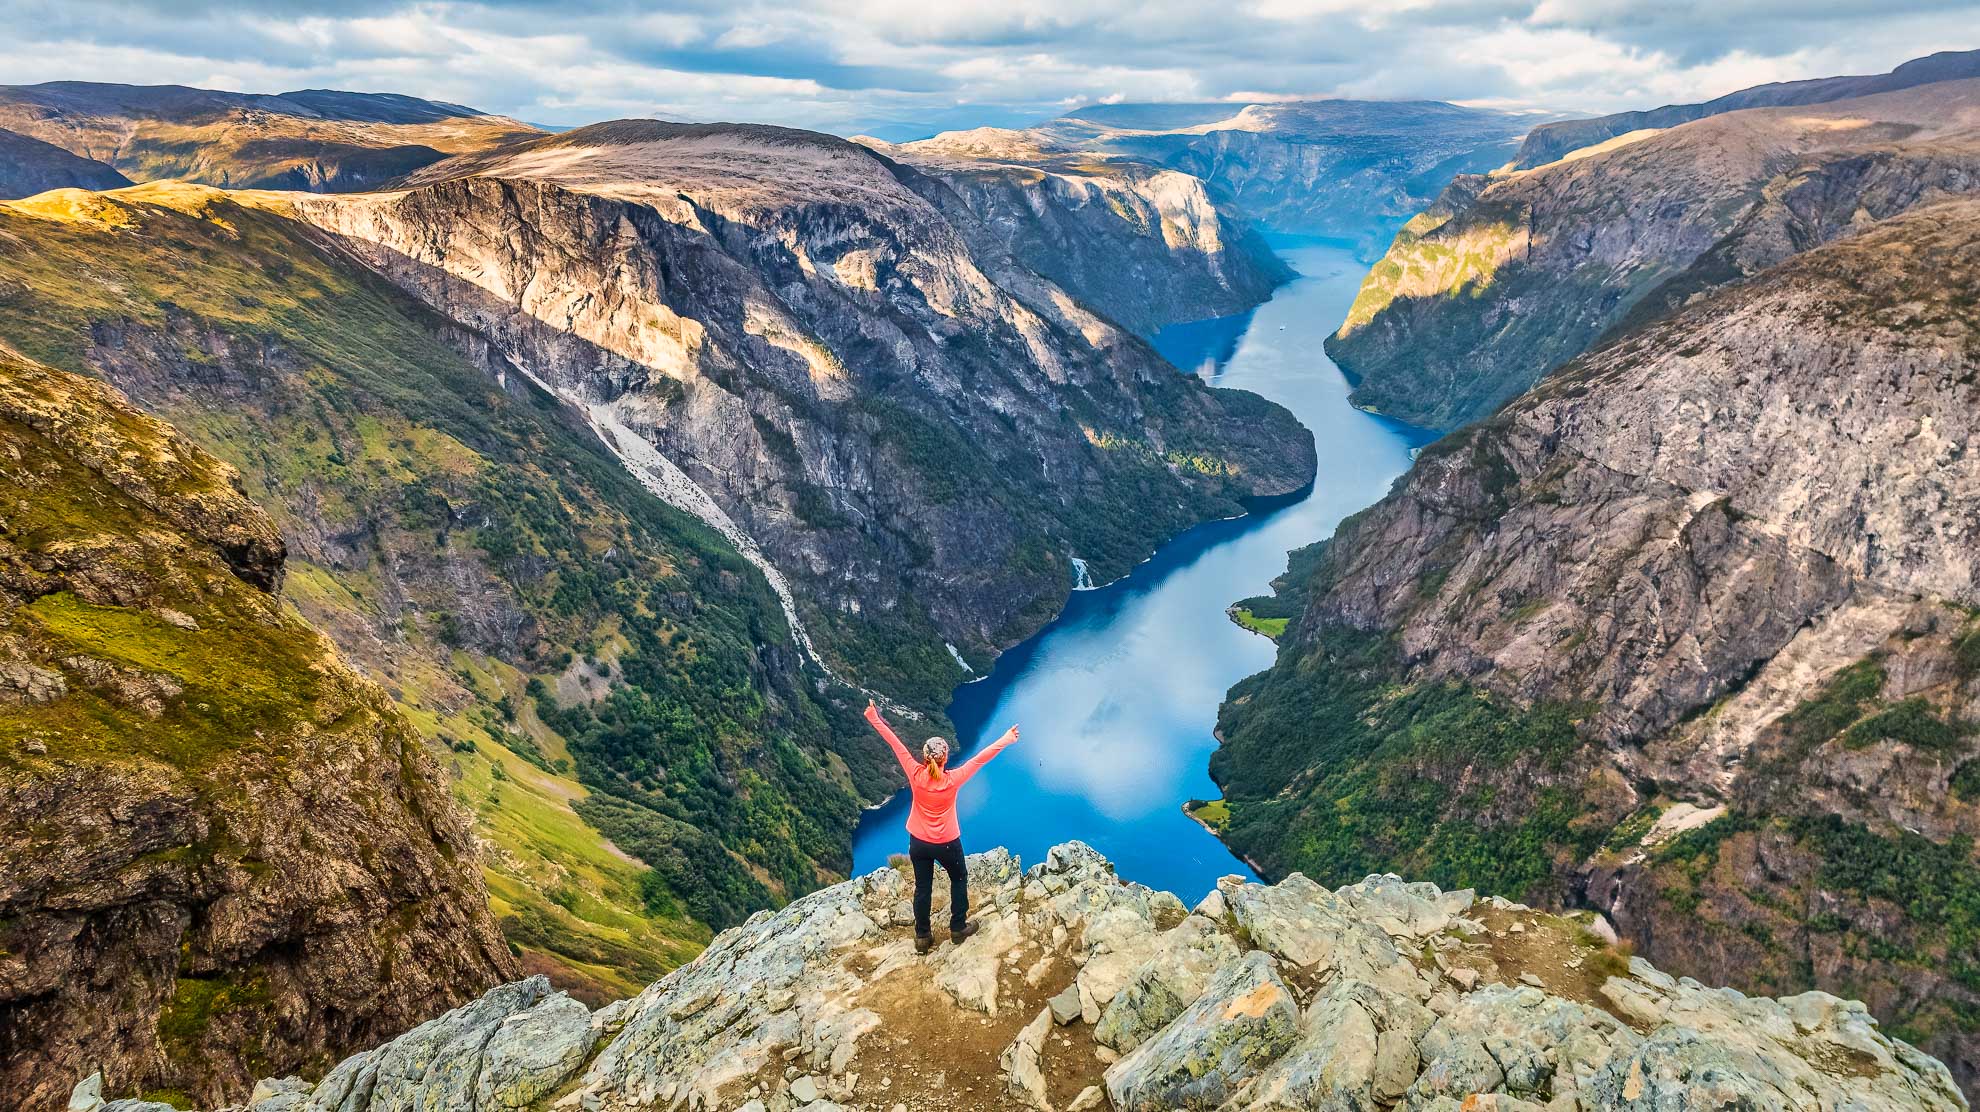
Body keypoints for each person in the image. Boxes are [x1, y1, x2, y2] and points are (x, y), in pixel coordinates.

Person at [864, 700, 1019, 953]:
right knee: (959, 878)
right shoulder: (953, 780)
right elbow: (981, 759)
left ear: (925, 758)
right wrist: (1006, 738)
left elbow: (894, 743)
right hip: (947, 842)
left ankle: (922, 936)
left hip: (919, 843)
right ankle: (958, 927)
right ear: (945, 758)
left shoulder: (915, 774)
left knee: (922, 886)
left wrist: (874, 716)